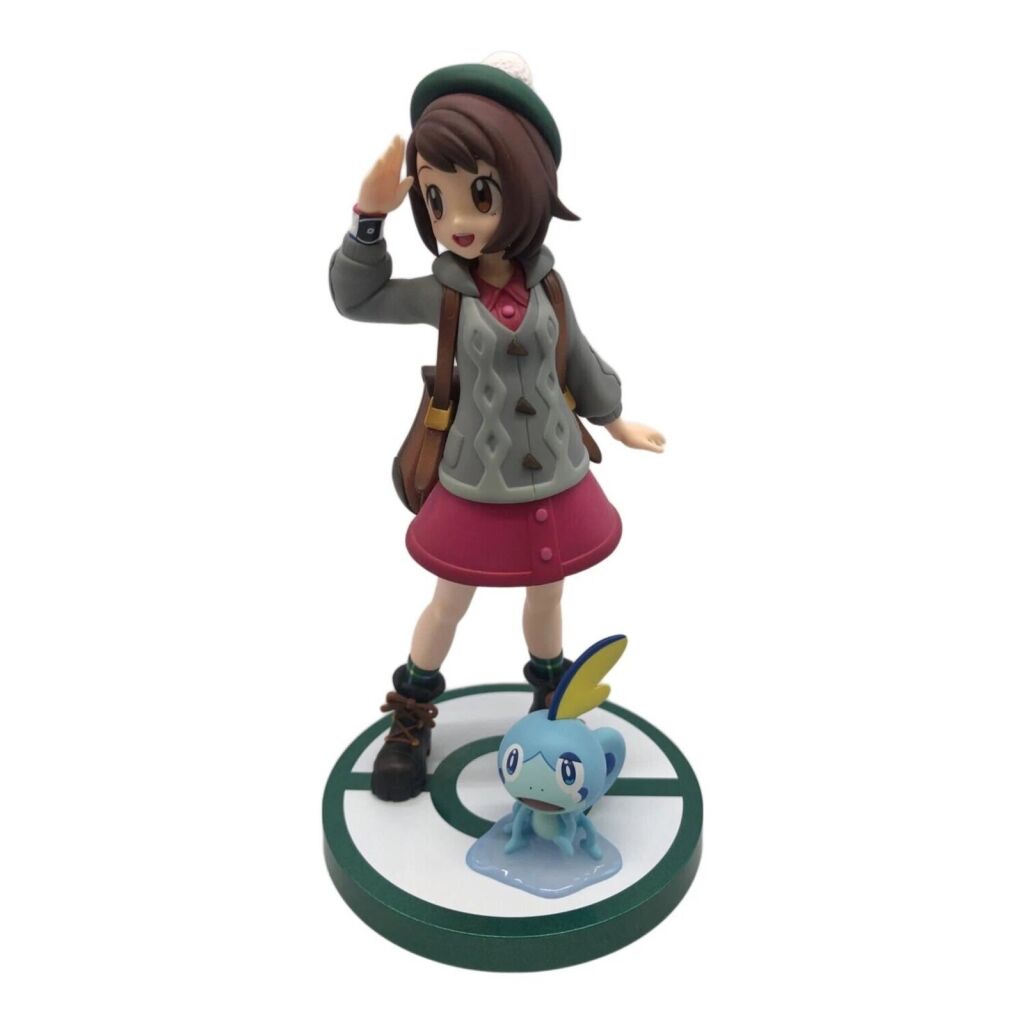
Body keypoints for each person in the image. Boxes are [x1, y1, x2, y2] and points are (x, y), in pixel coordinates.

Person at [329, 53, 665, 801]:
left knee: (547, 595)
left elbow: (576, 355)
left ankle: (550, 697)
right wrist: (368, 221)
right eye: (437, 200)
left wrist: (615, 419)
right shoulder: (443, 293)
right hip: (475, 481)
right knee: (450, 598)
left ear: (523, 187)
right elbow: (358, 299)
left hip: (555, 472)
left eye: (479, 195)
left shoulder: (548, 285)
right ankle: (411, 713)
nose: (457, 222)